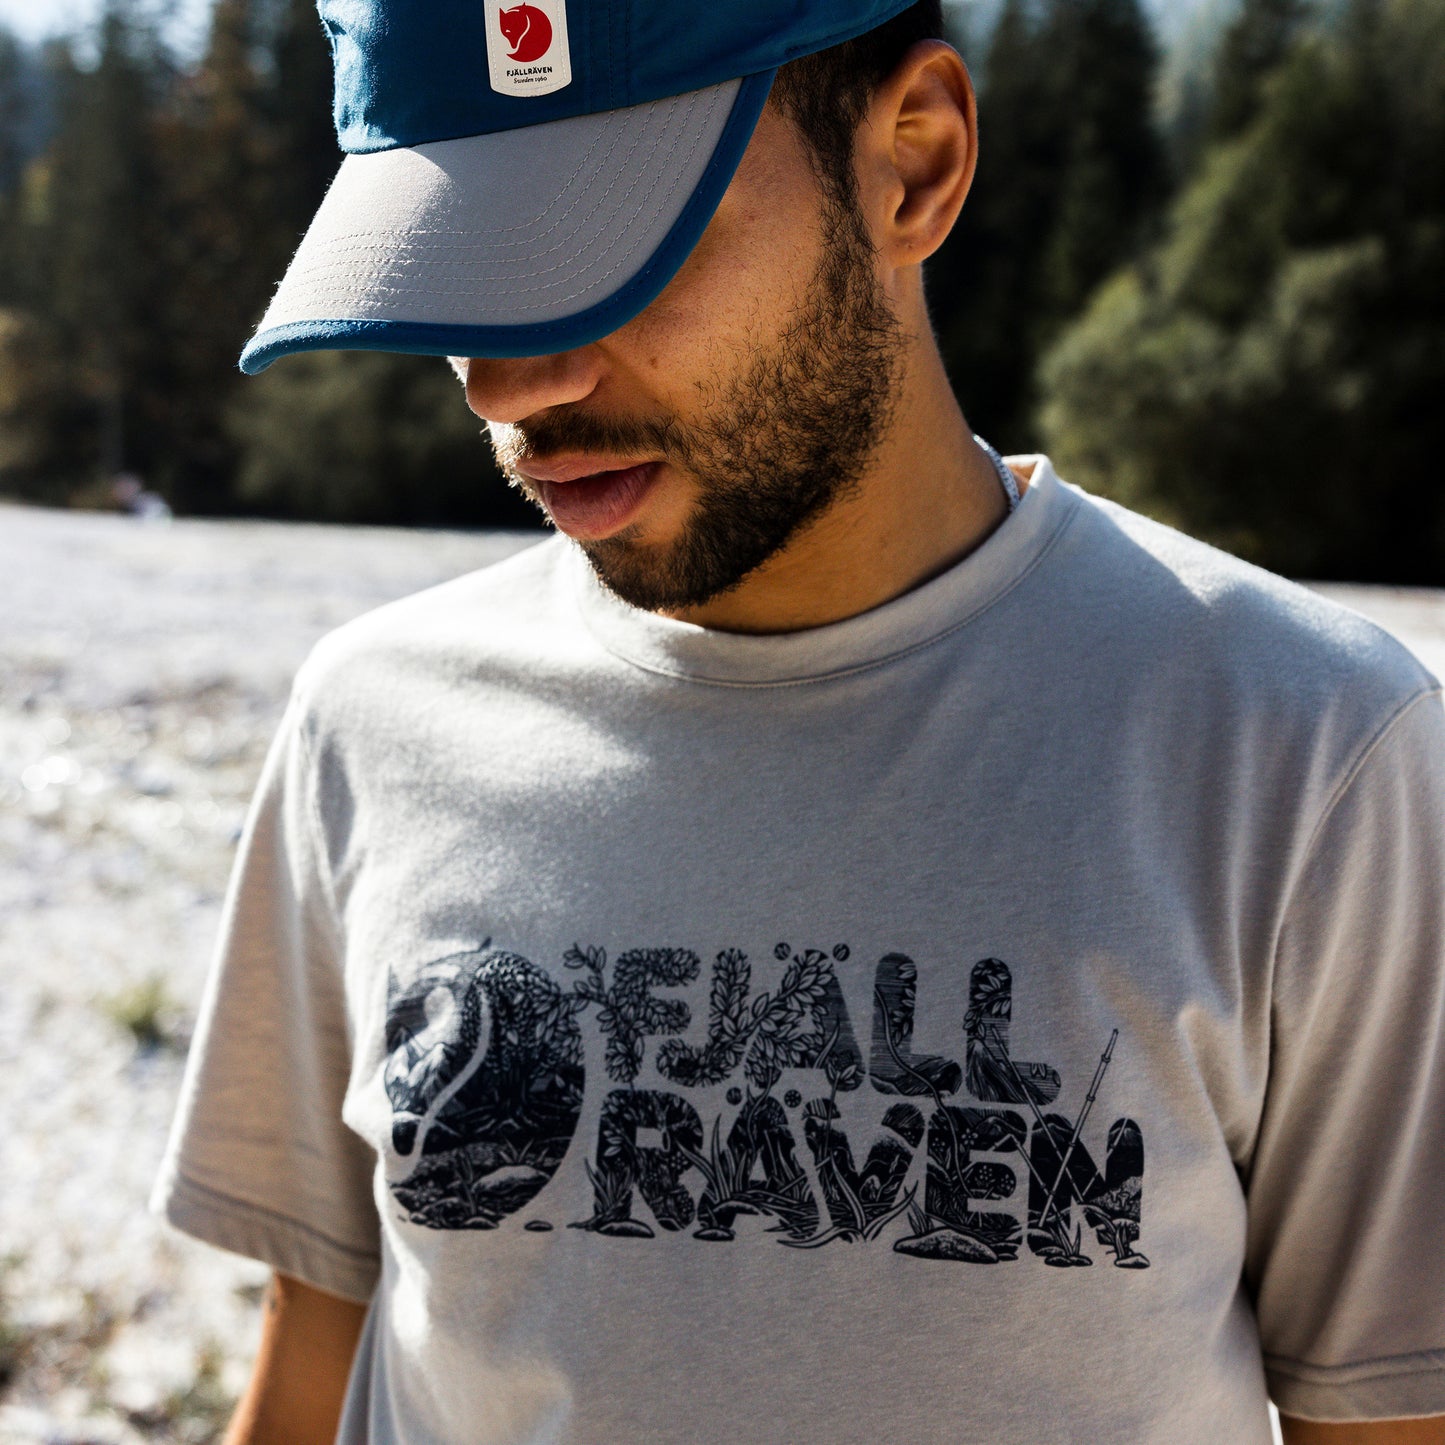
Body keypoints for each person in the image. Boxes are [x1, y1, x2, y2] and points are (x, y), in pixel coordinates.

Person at [152, 1, 1445, 1441]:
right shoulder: (372, 720)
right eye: (456, 271)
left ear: (912, 165)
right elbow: (311, 1372)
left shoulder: (1303, 753)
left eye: (607, 248)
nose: (512, 389)